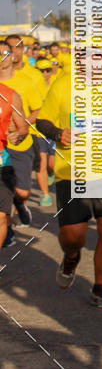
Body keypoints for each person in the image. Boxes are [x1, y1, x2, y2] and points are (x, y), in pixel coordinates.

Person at [36, 42, 102, 308]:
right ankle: (71, 257)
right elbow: (43, 120)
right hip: (71, 170)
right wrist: (57, 134)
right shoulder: (63, 85)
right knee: (74, 236)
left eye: (99, 55)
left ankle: (101, 288)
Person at [1, 38, 44, 228]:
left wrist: (20, 128)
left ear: (11, 56)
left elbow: (38, 109)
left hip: (21, 143)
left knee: (22, 192)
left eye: (5, 54)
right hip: (2, 148)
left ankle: (19, 203)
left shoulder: (26, 81)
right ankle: (6, 226)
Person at [0, 42, 28, 249]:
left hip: (2, 162)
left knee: (1, 218)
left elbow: (23, 127)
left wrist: (17, 135)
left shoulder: (10, 95)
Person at [33, 58, 56, 207]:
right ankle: (45, 194)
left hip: (54, 129)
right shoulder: (32, 85)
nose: (44, 73)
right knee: (41, 163)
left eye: (47, 70)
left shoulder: (57, 84)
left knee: (52, 164)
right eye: (41, 71)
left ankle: (51, 173)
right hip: (37, 131)